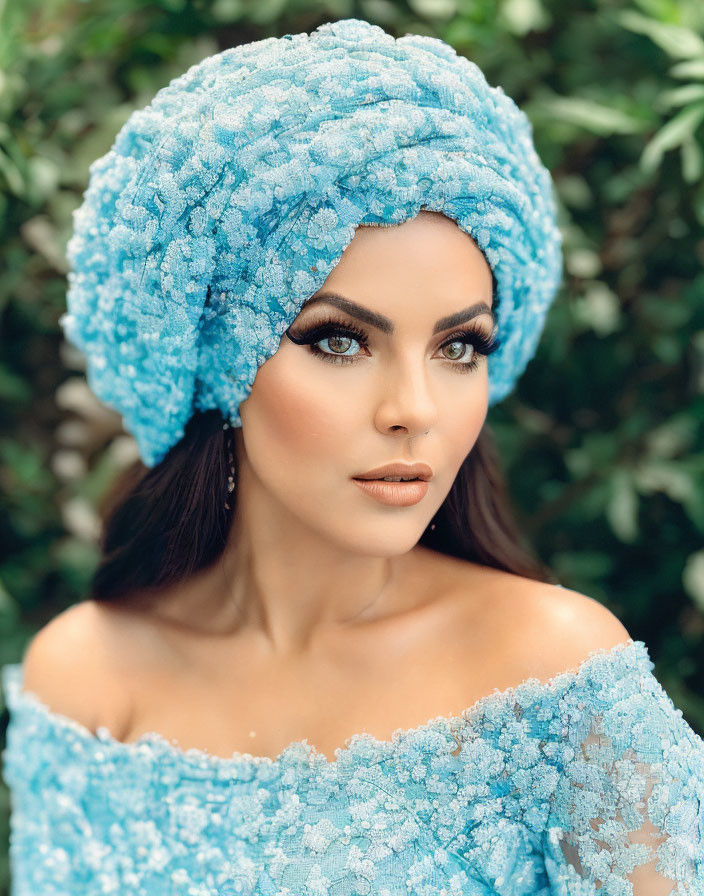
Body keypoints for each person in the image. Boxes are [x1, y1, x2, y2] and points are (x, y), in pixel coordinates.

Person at [2, 17, 703, 896]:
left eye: (460, 348)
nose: (414, 410)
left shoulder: (559, 682)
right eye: (338, 341)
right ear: (224, 363)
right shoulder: (82, 680)